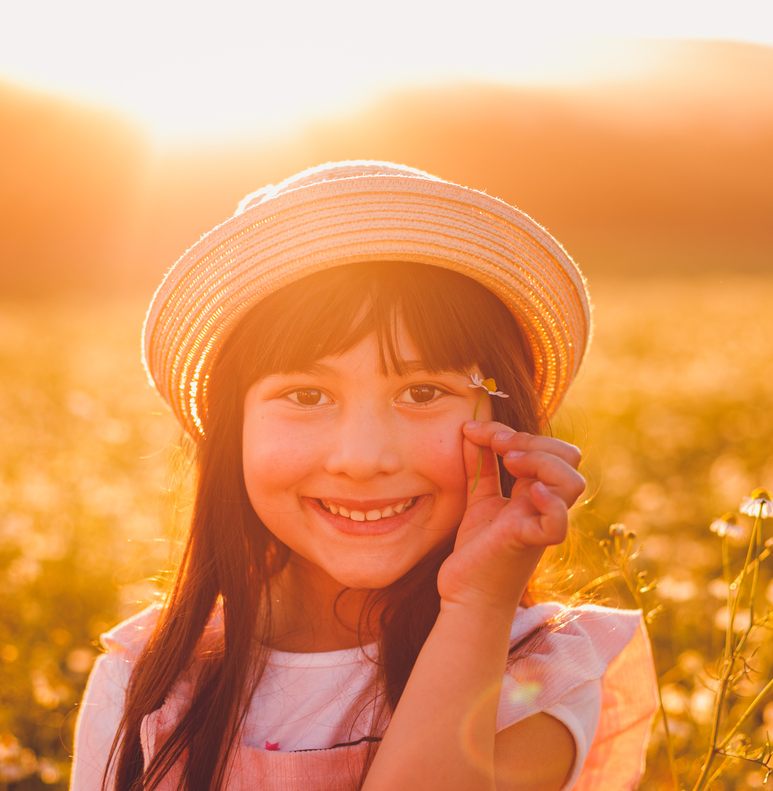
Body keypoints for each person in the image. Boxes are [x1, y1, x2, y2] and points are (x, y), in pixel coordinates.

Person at [71, 161, 658, 791]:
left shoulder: (535, 669)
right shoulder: (149, 680)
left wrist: (478, 605)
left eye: (423, 391)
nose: (362, 457)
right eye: (306, 396)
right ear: (231, 430)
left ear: (505, 422)